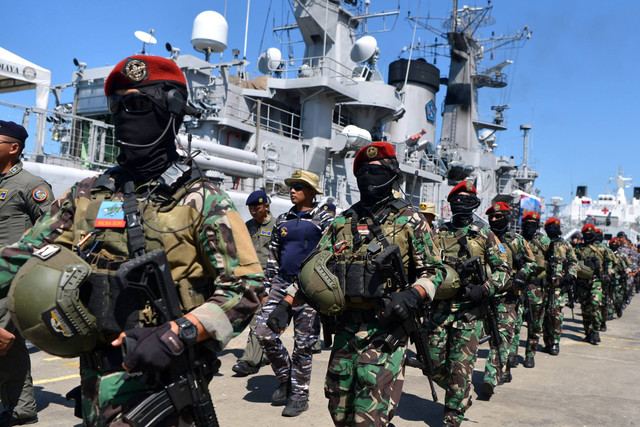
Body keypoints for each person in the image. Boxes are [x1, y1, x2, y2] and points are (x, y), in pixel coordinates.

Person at [1, 55, 264, 425]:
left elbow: (246, 288)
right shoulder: (88, 194)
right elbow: (19, 255)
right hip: (96, 377)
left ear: (171, 110)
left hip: (166, 378)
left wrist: (180, 333)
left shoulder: (202, 200)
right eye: (117, 105)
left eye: (138, 104)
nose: (125, 114)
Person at [297, 141, 444, 426]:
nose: (368, 176)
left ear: (391, 174)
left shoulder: (410, 219)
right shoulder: (341, 222)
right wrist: (289, 303)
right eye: (362, 171)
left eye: (375, 170)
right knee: (339, 411)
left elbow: (435, 271)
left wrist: (413, 295)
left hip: (386, 330)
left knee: (368, 419)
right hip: (345, 330)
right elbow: (315, 268)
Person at [254, 170, 333, 417]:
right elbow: (273, 257)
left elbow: (328, 257)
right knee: (263, 333)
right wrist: (268, 290)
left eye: (298, 186)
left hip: (309, 286)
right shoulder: (283, 220)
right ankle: (287, 377)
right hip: (280, 282)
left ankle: (300, 396)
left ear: (311, 191)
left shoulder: (324, 220)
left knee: (303, 344)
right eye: (291, 186)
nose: (293, 190)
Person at [430, 181, 509, 426]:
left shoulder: (485, 234)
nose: (461, 205)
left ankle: (453, 413)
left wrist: (484, 289)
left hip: (469, 312)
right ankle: (461, 394)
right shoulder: (439, 233)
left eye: (467, 200)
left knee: (461, 365)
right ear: (450, 204)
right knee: (432, 361)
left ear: (474, 204)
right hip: (440, 310)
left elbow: (503, 270)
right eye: (457, 201)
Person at [0, 121, 51, 426]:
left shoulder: (32, 186)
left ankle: (20, 409)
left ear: (13, 148)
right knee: (11, 348)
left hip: (12, 280)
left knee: (4, 341)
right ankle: (21, 410)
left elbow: (51, 233)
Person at [481, 202, 535, 396]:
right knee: (489, 335)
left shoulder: (517, 240)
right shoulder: (482, 237)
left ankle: (490, 377)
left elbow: (532, 263)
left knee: (502, 336)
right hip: (485, 295)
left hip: (509, 296)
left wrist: (522, 273)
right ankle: (503, 368)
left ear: (507, 218)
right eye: (492, 217)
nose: (495, 220)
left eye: (499, 216)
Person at [232, 190, 274, 376]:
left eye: (256, 207)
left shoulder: (277, 226)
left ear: (266, 206)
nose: (253, 211)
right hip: (247, 280)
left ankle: (248, 361)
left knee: (258, 319)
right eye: (250, 208)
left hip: (268, 281)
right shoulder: (247, 227)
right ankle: (263, 355)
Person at [513, 211, 550, 368]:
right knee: (515, 321)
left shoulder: (545, 242)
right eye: (527, 224)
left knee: (535, 323)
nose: (530, 227)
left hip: (536, 288)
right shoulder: (515, 240)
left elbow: (553, 261)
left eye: (533, 224)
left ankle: (530, 354)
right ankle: (512, 354)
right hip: (518, 286)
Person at [541, 217, 577, 355]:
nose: (552, 229)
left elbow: (573, 261)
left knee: (556, 315)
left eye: (555, 227)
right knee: (544, 316)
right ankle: (546, 341)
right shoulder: (543, 243)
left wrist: (570, 275)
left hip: (559, 286)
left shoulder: (565, 245)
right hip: (543, 285)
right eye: (550, 227)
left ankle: (555, 342)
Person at [574, 223, 606, 344]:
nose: (588, 236)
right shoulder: (578, 248)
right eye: (586, 234)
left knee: (595, 304)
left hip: (596, 280)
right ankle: (588, 331)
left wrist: (604, 271)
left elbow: (610, 263)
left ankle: (596, 330)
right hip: (582, 282)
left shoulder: (601, 248)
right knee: (585, 308)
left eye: (590, 234)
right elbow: (573, 261)